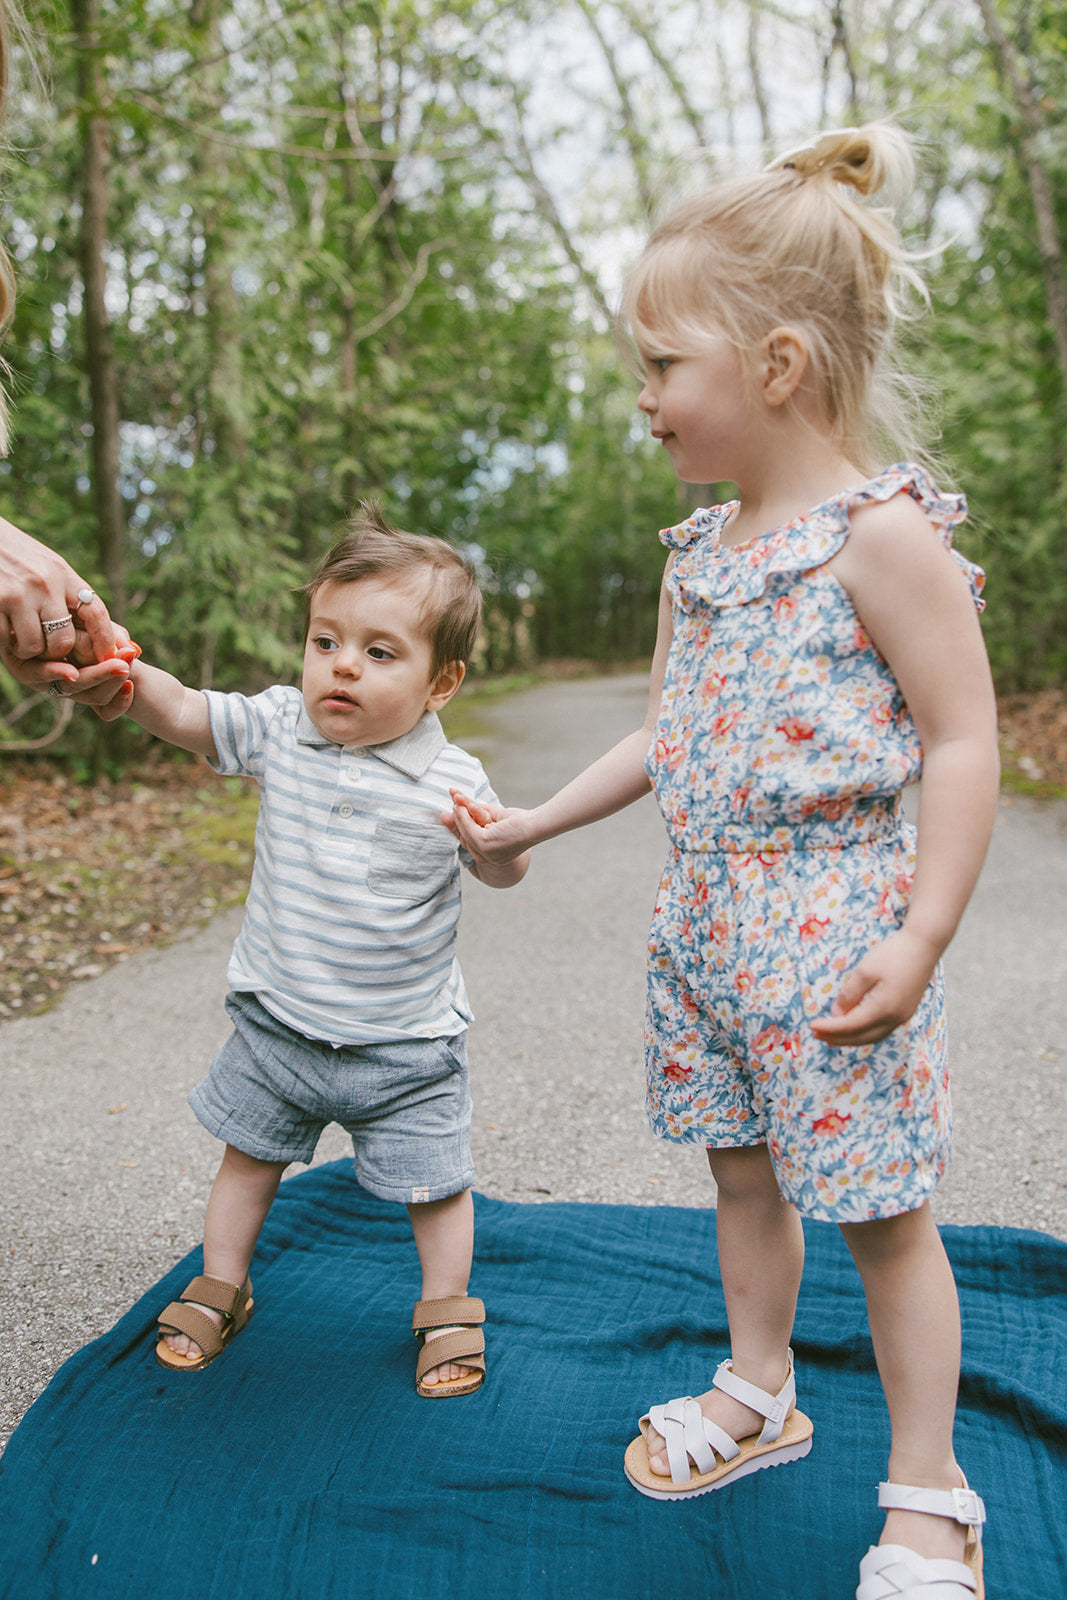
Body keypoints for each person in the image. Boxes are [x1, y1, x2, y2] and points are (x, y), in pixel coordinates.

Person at [450, 124, 997, 1596]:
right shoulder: (696, 556)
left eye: (658, 366)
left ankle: (930, 1494)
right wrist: (529, 825)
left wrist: (925, 930)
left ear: (771, 366)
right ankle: (757, 1390)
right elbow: (666, 741)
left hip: (833, 940)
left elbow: (959, 740)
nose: (640, 399)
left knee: (882, 1218)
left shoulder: (880, 541)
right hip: (700, 935)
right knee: (740, 1180)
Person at [100, 502, 530, 1397]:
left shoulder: (454, 779)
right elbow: (181, 710)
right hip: (279, 1028)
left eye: (379, 652)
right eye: (325, 640)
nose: (341, 665)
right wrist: (122, 674)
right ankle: (223, 1282)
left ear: (439, 684)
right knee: (246, 1158)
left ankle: (446, 1307)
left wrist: (503, 850)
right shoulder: (274, 729)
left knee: (436, 1187)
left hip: (404, 1045)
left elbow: (502, 870)